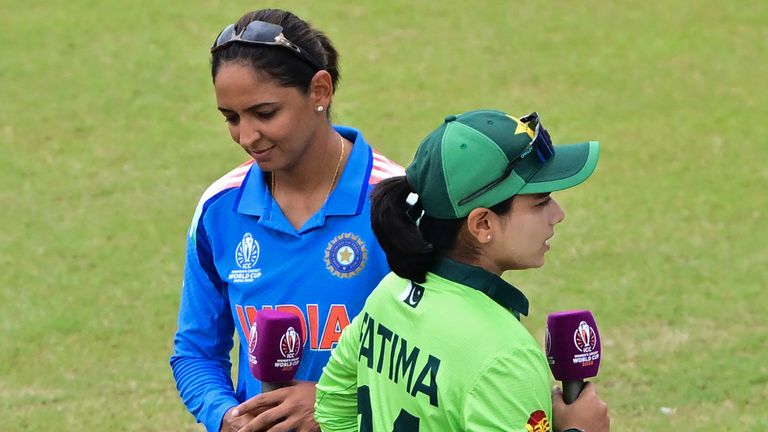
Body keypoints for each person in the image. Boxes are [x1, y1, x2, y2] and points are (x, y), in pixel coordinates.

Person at [169, 8, 404, 432]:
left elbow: (445, 357)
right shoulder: (220, 208)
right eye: (231, 118)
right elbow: (196, 352)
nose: (246, 136)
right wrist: (226, 416)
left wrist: (335, 401)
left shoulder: (397, 203)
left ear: (319, 90)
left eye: (265, 113)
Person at [314, 109, 610, 432]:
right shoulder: (506, 359)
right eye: (541, 202)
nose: (558, 214)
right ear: (482, 224)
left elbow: (332, 407)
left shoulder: (388, 293)